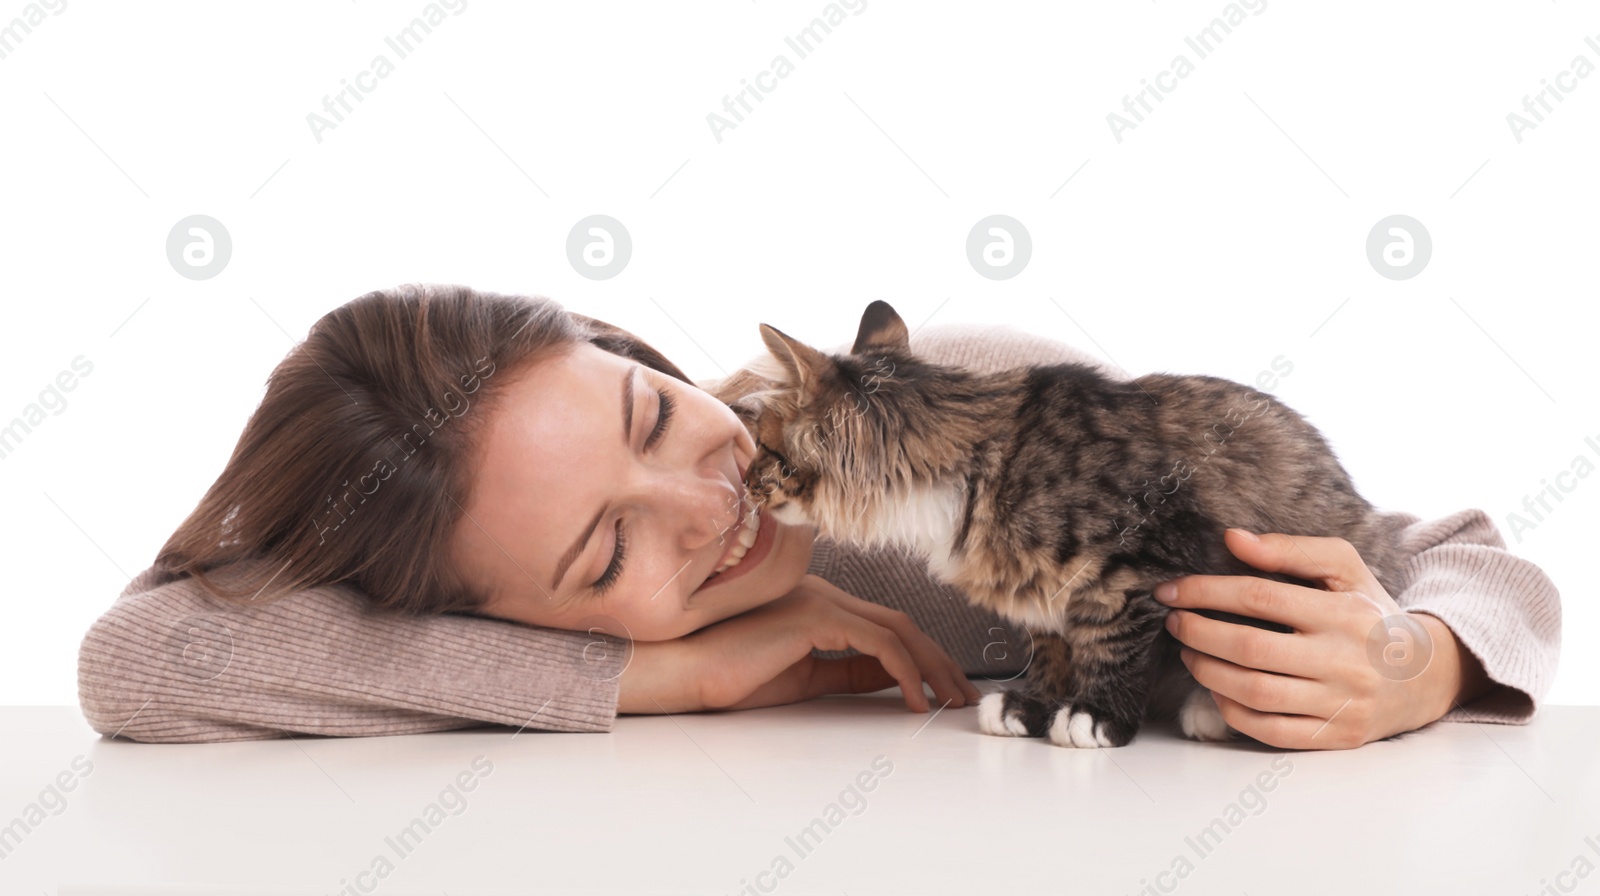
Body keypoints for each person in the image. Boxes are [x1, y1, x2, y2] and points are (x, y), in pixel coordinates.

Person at [77, 284, 1561, 749]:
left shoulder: (969, 414)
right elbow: (141, 664)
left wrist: (1419, 660)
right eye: (605, 554)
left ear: (648, 360)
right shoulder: (540, 634)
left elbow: (1470, 560)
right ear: (512, 616)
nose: (710, 503)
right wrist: (659, 673)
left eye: (657, 419)